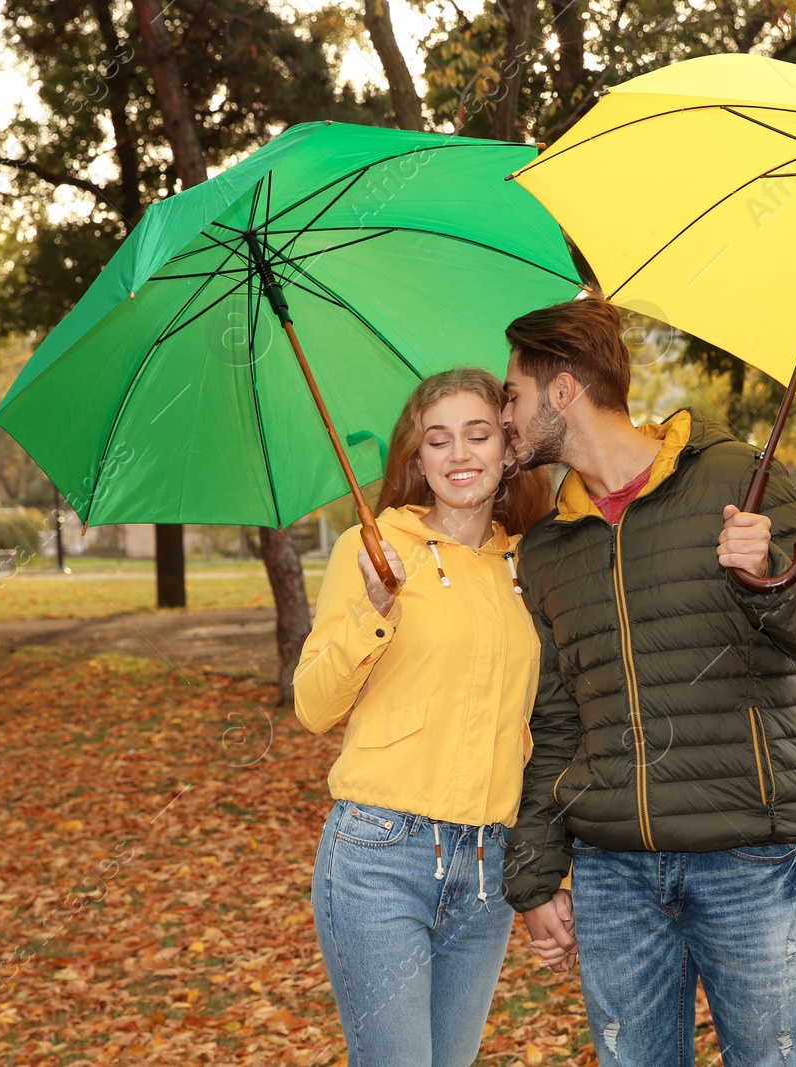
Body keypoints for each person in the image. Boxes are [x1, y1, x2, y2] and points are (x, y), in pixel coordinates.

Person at [499, 295, 796, 1067]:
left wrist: (771, 577)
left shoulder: (737, 478)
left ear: (562, 391)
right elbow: (556, 722)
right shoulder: (548, 549)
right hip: (613, 874)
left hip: (746, 863)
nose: (505, 414)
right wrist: (535, 875)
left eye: (512, 394)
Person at [294, 367, 553, 1067]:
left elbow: (541, 726)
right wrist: (371, 614)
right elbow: (314, 705)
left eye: (478, 435)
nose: (460, 455)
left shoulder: (530, 562)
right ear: (417, 458)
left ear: (507, 449)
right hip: (380, 854)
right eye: (438, 440)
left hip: (485, 866)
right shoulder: (371, 549)